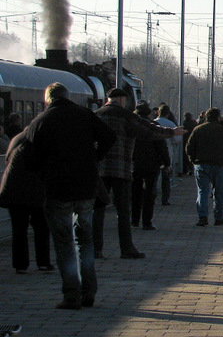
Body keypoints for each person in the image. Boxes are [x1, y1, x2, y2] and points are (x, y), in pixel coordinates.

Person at [21, 82, 115, 309]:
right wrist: (95, 157)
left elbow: (28, 158)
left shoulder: (41, 121)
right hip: (86, 188)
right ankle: (89, 291)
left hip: (58, 189)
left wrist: (44, 170)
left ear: (48, 100)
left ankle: (72, 295)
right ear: (67, 96)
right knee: (85, 241)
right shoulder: (84, 114)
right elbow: (109, 137)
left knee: (64, 244)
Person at [93, 89, 184, 260]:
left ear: (108, 99)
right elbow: (149, 131)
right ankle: (126, 248)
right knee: (123, 210)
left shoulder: (95, 115)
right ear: (122, 99)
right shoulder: (126, 116)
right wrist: (172, 132)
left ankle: (96, 248)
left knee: (98, 210)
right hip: (121, 169)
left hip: (99, 170)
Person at [0, 129, 54, 273]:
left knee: (19, 229)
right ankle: (43, 262)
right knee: (41, 226)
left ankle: (20, 265)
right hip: (34, 191)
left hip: (13, 189)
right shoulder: (42, 143)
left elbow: (7, 159)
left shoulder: (17, 139)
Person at [185, 107, 223, 226]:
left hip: (201, 164)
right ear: (218, 117)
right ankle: (218, 218)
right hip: (218, 164)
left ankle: (202, 217)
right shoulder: (222, 129)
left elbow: (189, 147)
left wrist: (193, 160)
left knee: (203, 192)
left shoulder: (198, 129)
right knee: (219, 193)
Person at [130, 103, 169, 231]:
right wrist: (166, 162)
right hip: (152, 164)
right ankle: (147, 222)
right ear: (148, 113)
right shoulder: (154, 127)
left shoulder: (132, 127)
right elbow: (162, 146)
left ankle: (134, 220)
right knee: (149, 193)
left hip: (135, 164)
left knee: (135, 192)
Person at [153, 104, 178, 204]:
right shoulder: (171, 124)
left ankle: (152, 197)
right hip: (167, 152)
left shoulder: (153, 123)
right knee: (166, 177)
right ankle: (165, 199)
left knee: (154, 178)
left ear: (158, 112)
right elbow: (176, 139)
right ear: (168, 113)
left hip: (153, 153)